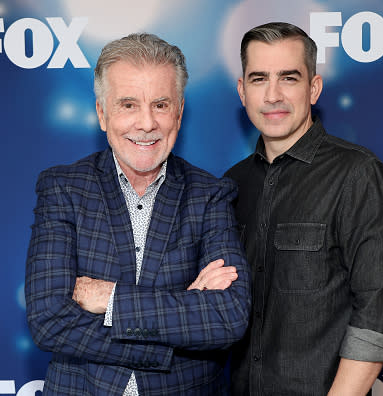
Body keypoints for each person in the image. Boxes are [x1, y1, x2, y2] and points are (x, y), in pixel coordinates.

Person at [25, 33, 251, 396]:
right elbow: (49, 321)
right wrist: (178, 315)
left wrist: (111, 299)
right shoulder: (62, 189)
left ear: (178, 112)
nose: (146, 123)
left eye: (160, 104)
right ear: (102, 113)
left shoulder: (210, 195)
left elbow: (227, 318)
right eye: (128, 104)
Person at [225, 22, 383, 396]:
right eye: (259, 79)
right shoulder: (232, 184)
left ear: (313, 88)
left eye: (288, 78)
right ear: (243, 91)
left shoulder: (358, 175)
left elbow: (378, 316)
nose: (273, 95)